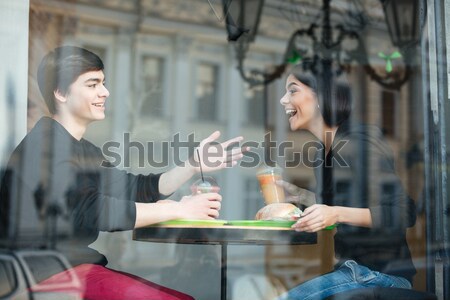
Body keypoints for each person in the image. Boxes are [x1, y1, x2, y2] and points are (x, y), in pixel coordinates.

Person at [0, 46, 245, 300]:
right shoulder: (45, 145)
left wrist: (192, 165)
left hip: (71, 272)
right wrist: (179, 209)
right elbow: (91, 210)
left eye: (103, 83)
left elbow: (131, 188)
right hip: (44, 279)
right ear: (61, 92)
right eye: (92, 84)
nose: (104, 92)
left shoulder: (83, 150)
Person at [276, 65, 417, 300]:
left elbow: (405, 212)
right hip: (353, 271)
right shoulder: (323, 154)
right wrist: (302, 197)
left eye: (292, 91)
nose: (283, 100)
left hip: (382, 276)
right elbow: (342, 205)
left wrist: (336, 214)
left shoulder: (358, 143)